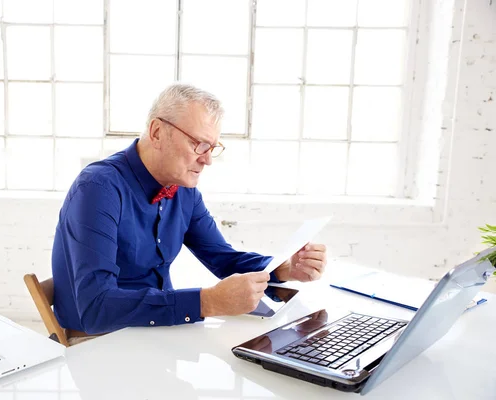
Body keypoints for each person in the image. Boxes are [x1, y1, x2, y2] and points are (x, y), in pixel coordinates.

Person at [51, 83, 327, 344]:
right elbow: (96, 309)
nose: (207, 159)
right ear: (157, 132)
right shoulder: (98, 188)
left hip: (157, 333)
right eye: (199, 144)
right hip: (100, 342)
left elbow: (222, 258)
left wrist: (283, 268)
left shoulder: (183, 190)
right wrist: (207, 302)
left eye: (212, 148)